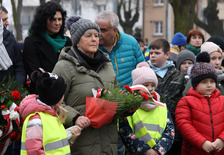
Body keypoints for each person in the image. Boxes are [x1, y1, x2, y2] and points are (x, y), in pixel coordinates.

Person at [52, 16, 118, 154]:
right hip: (80, 142)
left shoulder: (107, 65)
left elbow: (117, 96)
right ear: (77, 42)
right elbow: (53, 104)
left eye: (96, 35)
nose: (94, 39)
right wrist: (75, 117)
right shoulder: (64, 67)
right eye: (88, 36)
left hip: (107, 142)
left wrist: (128, 108)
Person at [19, 70, 81, 154]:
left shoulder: (52, 115)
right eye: (62, 93)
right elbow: (34, 151)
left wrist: (71, 140)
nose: (63, 96)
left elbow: (56, 148)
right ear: (56, 97)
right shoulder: (36, 120)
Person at [119, 62, 175, 155]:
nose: (150, 89)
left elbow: (170, 132)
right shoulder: (129, 107)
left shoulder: (162, 106)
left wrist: (158, 150)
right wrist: (145, 150)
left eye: (152, 85)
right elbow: (125, 132)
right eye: (145, 85)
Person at [175, 54, 224, 154]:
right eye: (204, 82)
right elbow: (184, 125)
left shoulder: (222, 100)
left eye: (212, 81)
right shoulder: (186, 102)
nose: (209, 85)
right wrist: (202, 142)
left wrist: (222, 139)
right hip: (195, 150)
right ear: (195, 84)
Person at [23, 1, 72, 93]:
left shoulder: (67, 42)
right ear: (43, 20)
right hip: (43, 93)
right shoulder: (32, 42)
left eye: (60, 19)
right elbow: (35, 74)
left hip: (67, 91)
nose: (57, 23)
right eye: (53, 19)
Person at [148, 38, 185, 155]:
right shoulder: (145, 73)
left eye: (157, 53)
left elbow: (182, 101)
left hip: (173, 129)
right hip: (150, 128)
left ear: (167, 54)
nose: (153, 56)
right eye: (151, 53)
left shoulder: (178, 75)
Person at [95, 11, 145, 87]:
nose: (99, 34)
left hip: (130, 96)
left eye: (103, 30)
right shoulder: (92, 47)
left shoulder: (131, 43)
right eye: (96, 29)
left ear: (115, 31)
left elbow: (143, 71)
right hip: (103, 97)